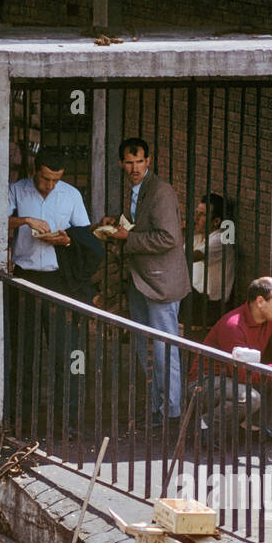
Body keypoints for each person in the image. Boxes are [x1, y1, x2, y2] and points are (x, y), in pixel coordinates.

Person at [100, 137, 191, 423]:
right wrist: (117, 221)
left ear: (148, 161)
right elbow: (142, 224)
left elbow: (169, 237)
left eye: (140, 161)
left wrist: (128, 237)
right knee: (144, 345)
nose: (134, 167)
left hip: (161, 283)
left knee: (165, 346)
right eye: (129, 162)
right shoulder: (135, 190)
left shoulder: (161, 191)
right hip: (140, 279)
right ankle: (157, 407)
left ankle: (172, 410)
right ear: (120, 163)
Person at [188, 277, 272, 434]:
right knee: (249, 397)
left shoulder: (271, 320)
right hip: (206, 382)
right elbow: (240, 374)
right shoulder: (233, 325)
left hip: (237, 377)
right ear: (260, 302)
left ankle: (255, 426)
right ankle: (205, 425)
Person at [8, 147, 91, 292]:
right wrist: (25, 220)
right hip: (24, 272)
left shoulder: (72, 195)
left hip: (59, 274)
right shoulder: (16, 190)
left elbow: (84, 233)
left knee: (54, 314)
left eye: (56, 180)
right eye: (46, 179)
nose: (50, 185)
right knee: (21, 314)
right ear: (35, 170)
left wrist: (67, 241)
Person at [191, 193, 235, 328]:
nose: (195, 218)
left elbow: (189, 257)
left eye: (202, 215)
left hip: (210, 306)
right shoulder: (198, 237)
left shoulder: (222, 239)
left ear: (216, 221)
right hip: (194, 298)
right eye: (196, 213)